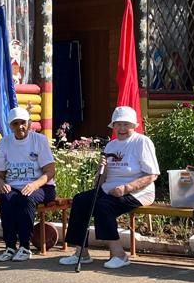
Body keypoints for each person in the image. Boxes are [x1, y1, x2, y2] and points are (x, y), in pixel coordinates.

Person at [59, 106, 159, 270]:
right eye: (118, 124)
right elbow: (101, 180)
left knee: (104, 206)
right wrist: (101, 170)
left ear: (133, 125)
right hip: (109, 189)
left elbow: (152, 175)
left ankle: (119, 254)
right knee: (81, 200)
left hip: (139, 191)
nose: (121, 129)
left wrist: (126, 188)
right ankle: (81, 252)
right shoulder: (111, 146)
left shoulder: (142, 142)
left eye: (126, 124)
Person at [0, 106, 57, 262]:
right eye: (15, 123)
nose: (20, 127)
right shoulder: (4, 143)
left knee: (26, 199)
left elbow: (50, 171)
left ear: (29, 123)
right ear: (10, 126)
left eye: (23, 122)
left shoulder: (39, 140)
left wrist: (34, 185)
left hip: (42, 186)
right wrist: (1, 184)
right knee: (6, 198)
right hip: (14, 186)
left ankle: (25, 247)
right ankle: (10, 246)